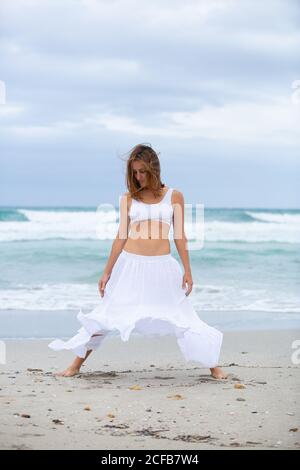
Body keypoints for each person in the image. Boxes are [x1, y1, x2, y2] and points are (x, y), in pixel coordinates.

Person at [49, 144, 227, 379]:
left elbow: (180, 235)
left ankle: (213, 366)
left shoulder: (174, 196)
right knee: (106, 316)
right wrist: (106, 272)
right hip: (130, 266)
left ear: (154, 169)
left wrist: (188, 270)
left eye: (142, 171)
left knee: (184, 316)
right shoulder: (128, 199)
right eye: (134, 172)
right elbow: (120, 236)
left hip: (163, 267)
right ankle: (74, 366)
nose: (138, 176)